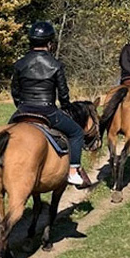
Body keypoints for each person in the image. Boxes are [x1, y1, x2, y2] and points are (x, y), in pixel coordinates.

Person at [11, 21, 92, 188]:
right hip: (48, 111)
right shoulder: (56, 65)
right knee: (76, 132)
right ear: (50, 43)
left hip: (23, 110)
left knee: (5, 136)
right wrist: (65, 105)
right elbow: (63, 95)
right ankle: (73, 171)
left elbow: (15, 91)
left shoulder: (19, 64)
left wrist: (21, 106)